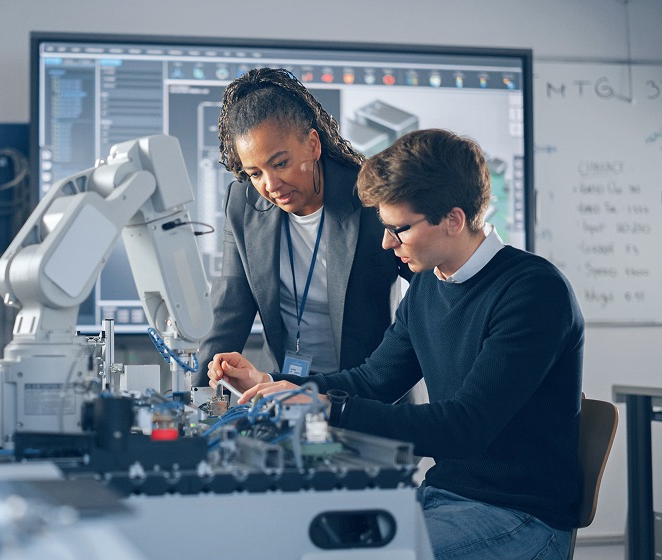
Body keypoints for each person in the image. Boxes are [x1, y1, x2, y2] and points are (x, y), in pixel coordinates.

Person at [209, 128, 584, 559]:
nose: (387, 243)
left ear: (454, 219)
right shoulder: (428, 285)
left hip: (521, 517)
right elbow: (373, 380)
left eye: (398, 229)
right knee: (290, 540)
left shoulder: (533, 292)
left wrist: (331, 408)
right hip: (442, 497)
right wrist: (276, 385)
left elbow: (465, 428)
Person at [198, 67, 410, 386]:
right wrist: (198, 396)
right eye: (255, 173)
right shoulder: (242, 204)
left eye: (280, 163)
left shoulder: (370, 198)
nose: (271, 185)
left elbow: (429, 291)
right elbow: (229, 310)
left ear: (313, 144)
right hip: (281, 387)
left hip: (366, 390)